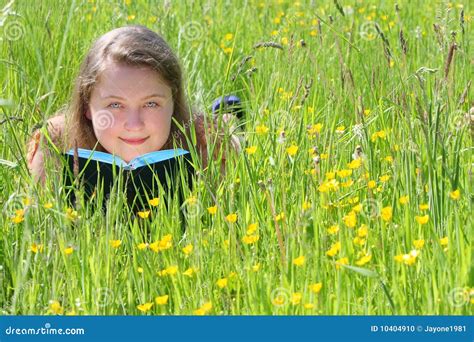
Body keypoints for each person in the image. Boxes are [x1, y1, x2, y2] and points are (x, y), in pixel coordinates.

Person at [26, 25, 241, 185]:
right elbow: (37, 222)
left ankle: (228, 116)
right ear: (87, 107)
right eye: (115, 105)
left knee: (226, 129)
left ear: (174, 102)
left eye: (151, 103)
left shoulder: (206, 145)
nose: (134, 124)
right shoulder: (56, 141)